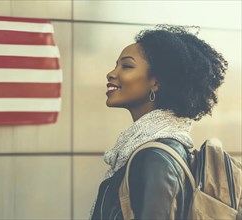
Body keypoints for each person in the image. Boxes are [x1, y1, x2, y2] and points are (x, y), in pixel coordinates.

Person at [90, 24, 228, 219]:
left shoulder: (155, 157)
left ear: (156, 82)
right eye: (116, 65)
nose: (111, 73)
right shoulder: (150, 149)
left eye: (126, 66)